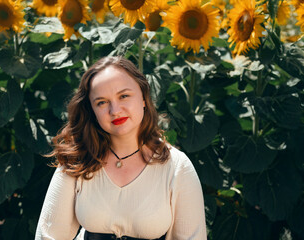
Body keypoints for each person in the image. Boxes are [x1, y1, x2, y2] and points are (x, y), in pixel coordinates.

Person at [35, 56, 207, 240]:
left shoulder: (177, 167)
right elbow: (48, 236)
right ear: (92, 110)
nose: (115, 110)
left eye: (124, 96)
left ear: (143, 97)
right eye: (102, 102)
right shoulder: (78, 159)